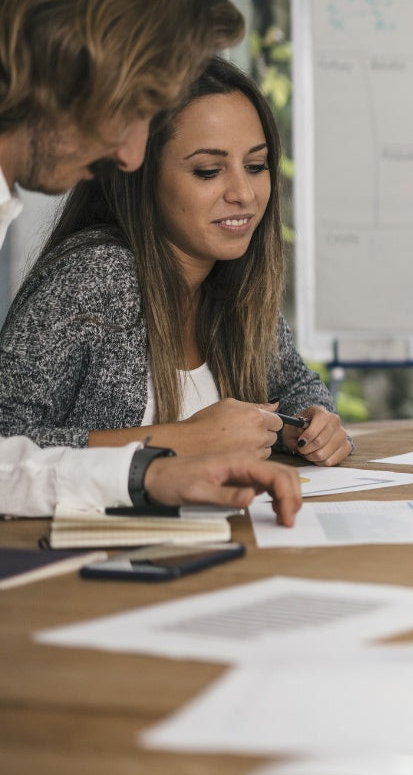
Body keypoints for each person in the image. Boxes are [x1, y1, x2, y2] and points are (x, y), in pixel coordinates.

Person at [0, 0, 300, 523]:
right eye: (135, 103)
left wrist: (150, 472)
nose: (131, 154)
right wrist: (168, 452)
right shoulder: (99, 271)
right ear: (68, 58)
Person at [0, 57, 352, 467]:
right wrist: (181, 440)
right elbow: (6, 441)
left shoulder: (234, 276)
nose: (245, 193)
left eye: (256, 166)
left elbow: (294, 384)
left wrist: (312, 423)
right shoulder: (96, 275)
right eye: (208, 171)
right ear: (141, 175)